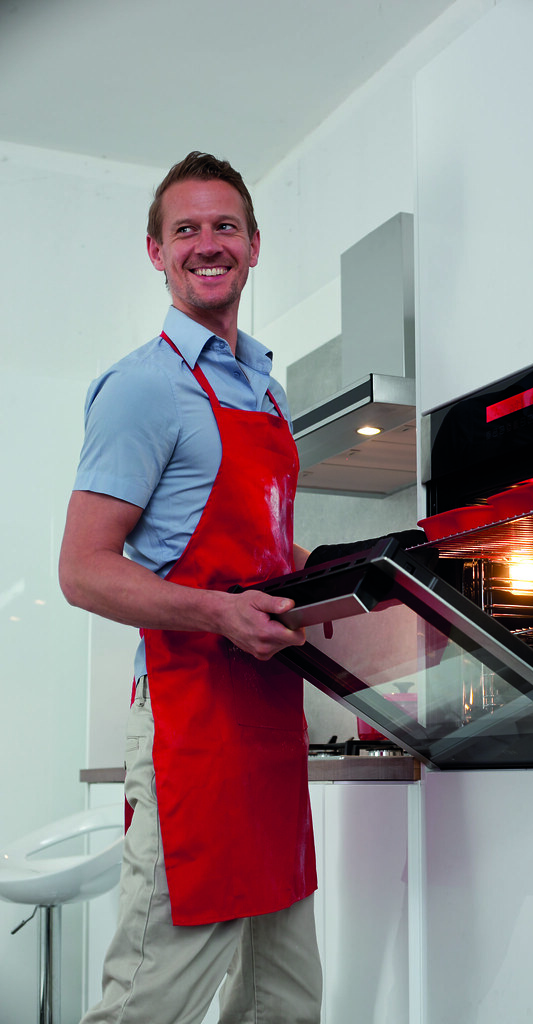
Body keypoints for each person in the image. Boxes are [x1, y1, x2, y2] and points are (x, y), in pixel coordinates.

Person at [59, 151, 322, 1024]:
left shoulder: (269, 393)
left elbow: (259, 550)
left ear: (254, 245)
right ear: (155, 252)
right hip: (193, 722)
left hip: (269, 721)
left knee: (284, 996)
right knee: (153, 998)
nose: (207, 244)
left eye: (224, 227)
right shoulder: (144, 386)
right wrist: (218, 611)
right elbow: (83, 568)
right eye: (186, 230)